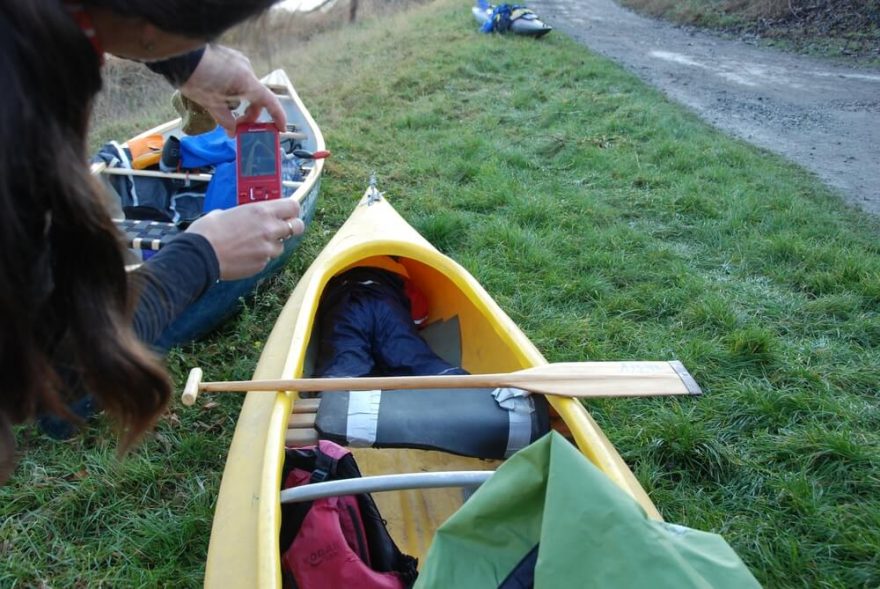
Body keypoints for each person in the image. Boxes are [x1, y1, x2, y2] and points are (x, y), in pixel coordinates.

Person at [0, 0, 301, 482]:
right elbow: (48, 363)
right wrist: (202, 256)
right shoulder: (18, 122)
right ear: (151, 26)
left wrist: (190, 62)